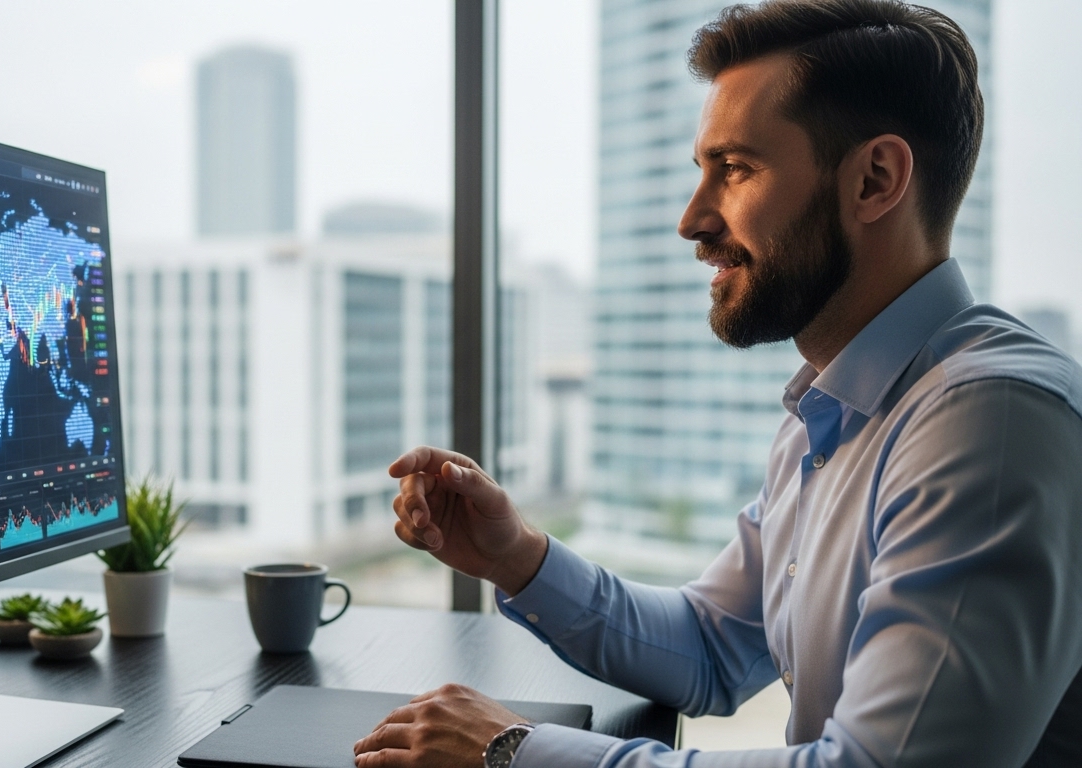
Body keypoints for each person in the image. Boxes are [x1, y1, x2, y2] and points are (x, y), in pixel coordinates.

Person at [352, 1, 1082, 766]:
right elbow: (711, 648)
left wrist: (512, 753)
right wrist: (517, 556)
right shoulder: (828, 412)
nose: (692, 219)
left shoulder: (990, 420)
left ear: (874, 179)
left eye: (734, 169)